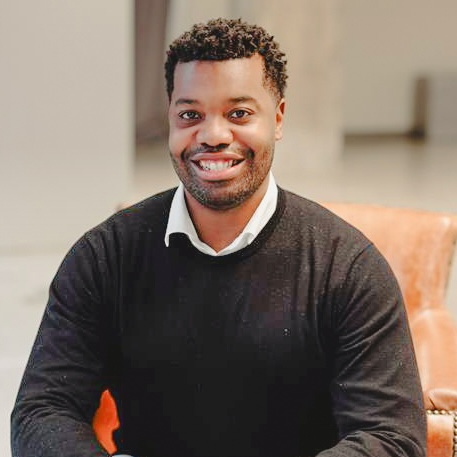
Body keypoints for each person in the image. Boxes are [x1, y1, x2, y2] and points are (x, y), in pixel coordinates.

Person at [11, 17, 426, 457]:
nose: (212, 136)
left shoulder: (347, 266)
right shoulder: (105, 256)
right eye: (190, 115)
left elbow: (392, 436)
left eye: (239, 114)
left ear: (278, 118)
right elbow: (42, 412)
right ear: (170, 117)